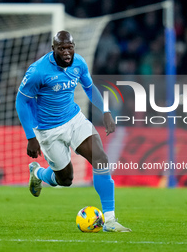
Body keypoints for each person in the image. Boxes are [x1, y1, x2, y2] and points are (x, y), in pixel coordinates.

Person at [16, 31, 131, 232]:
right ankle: (38, 172)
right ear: (53, 49)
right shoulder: (37, 71)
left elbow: (89, 87)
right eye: (62, 48)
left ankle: (110, 220)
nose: (67, 52)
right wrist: (30, 137)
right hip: (48, 129)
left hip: (74, 119)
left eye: (70, 47)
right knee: (65, 179)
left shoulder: (78, 63)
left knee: (101, 159)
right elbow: (21, 101)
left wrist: (105, 111)